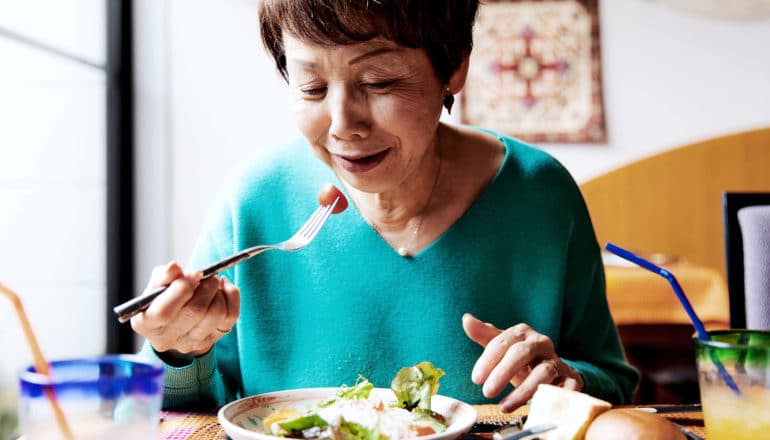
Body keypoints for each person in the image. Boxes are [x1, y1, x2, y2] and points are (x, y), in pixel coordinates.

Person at [131, 0, 639, 413]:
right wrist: (178, 352)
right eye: (310, 86)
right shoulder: (255, 198)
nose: (341, 124)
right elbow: (172, 407)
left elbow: (612, 382)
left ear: (454, 68)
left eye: (379, 83)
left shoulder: (539, 193)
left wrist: (565, 376)